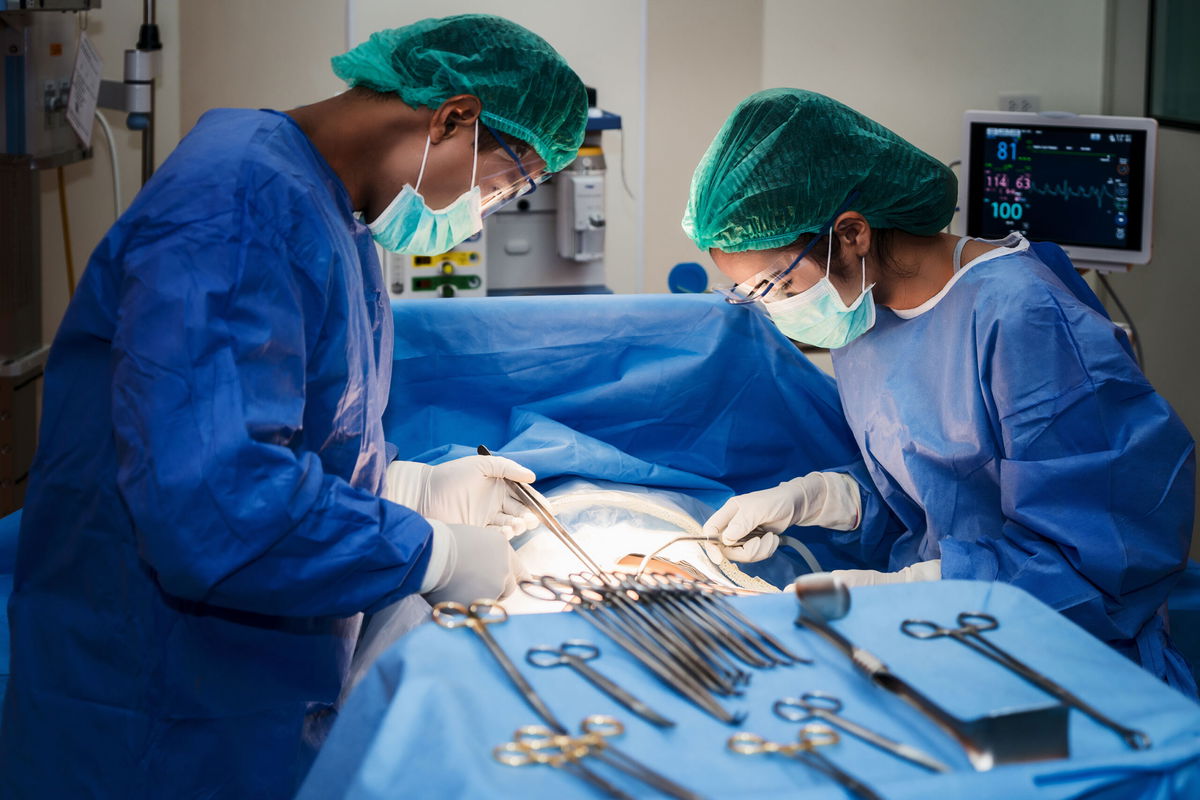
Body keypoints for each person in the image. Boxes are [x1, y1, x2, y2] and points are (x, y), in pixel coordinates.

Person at [0, 15, 587, 799]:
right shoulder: (236, 207)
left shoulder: (333, 212)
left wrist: (407, 489)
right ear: (454, 116)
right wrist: (434, 554)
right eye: (503, 184)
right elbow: (215, 501)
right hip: (154, 712)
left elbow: (295, 434)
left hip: (244, 692)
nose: (482, 212)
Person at [686, 88, 1196, 694]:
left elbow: (1105, 561)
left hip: (1068, 667)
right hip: (942, 645)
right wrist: (823, 499)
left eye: (774, 284)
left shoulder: (1024, 317)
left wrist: (916, 589)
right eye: (751, 295)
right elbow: (935, 498)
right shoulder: (862, 315)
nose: (773, 309)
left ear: (850, 233)